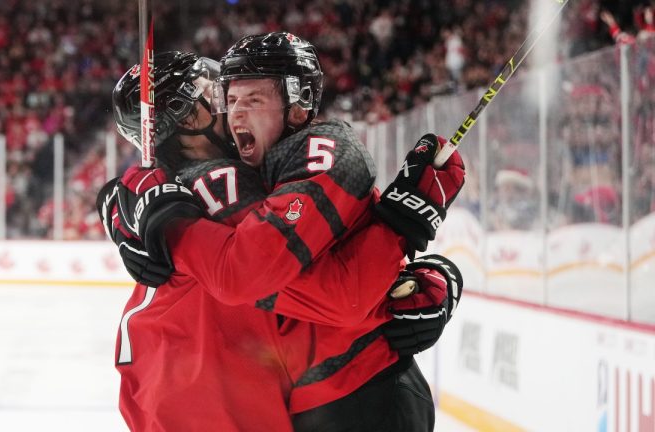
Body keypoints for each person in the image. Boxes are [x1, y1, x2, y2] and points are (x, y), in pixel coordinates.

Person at [107, 33, 464, 431]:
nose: (232, 109)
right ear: (188, 118)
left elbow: (339, 240)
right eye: (223, 96)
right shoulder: (217, 187)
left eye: (247, 98)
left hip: (231, 403)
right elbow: (336, 296)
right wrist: (404, 227)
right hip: (293, 400)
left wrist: (434, 272)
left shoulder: (183, 183)